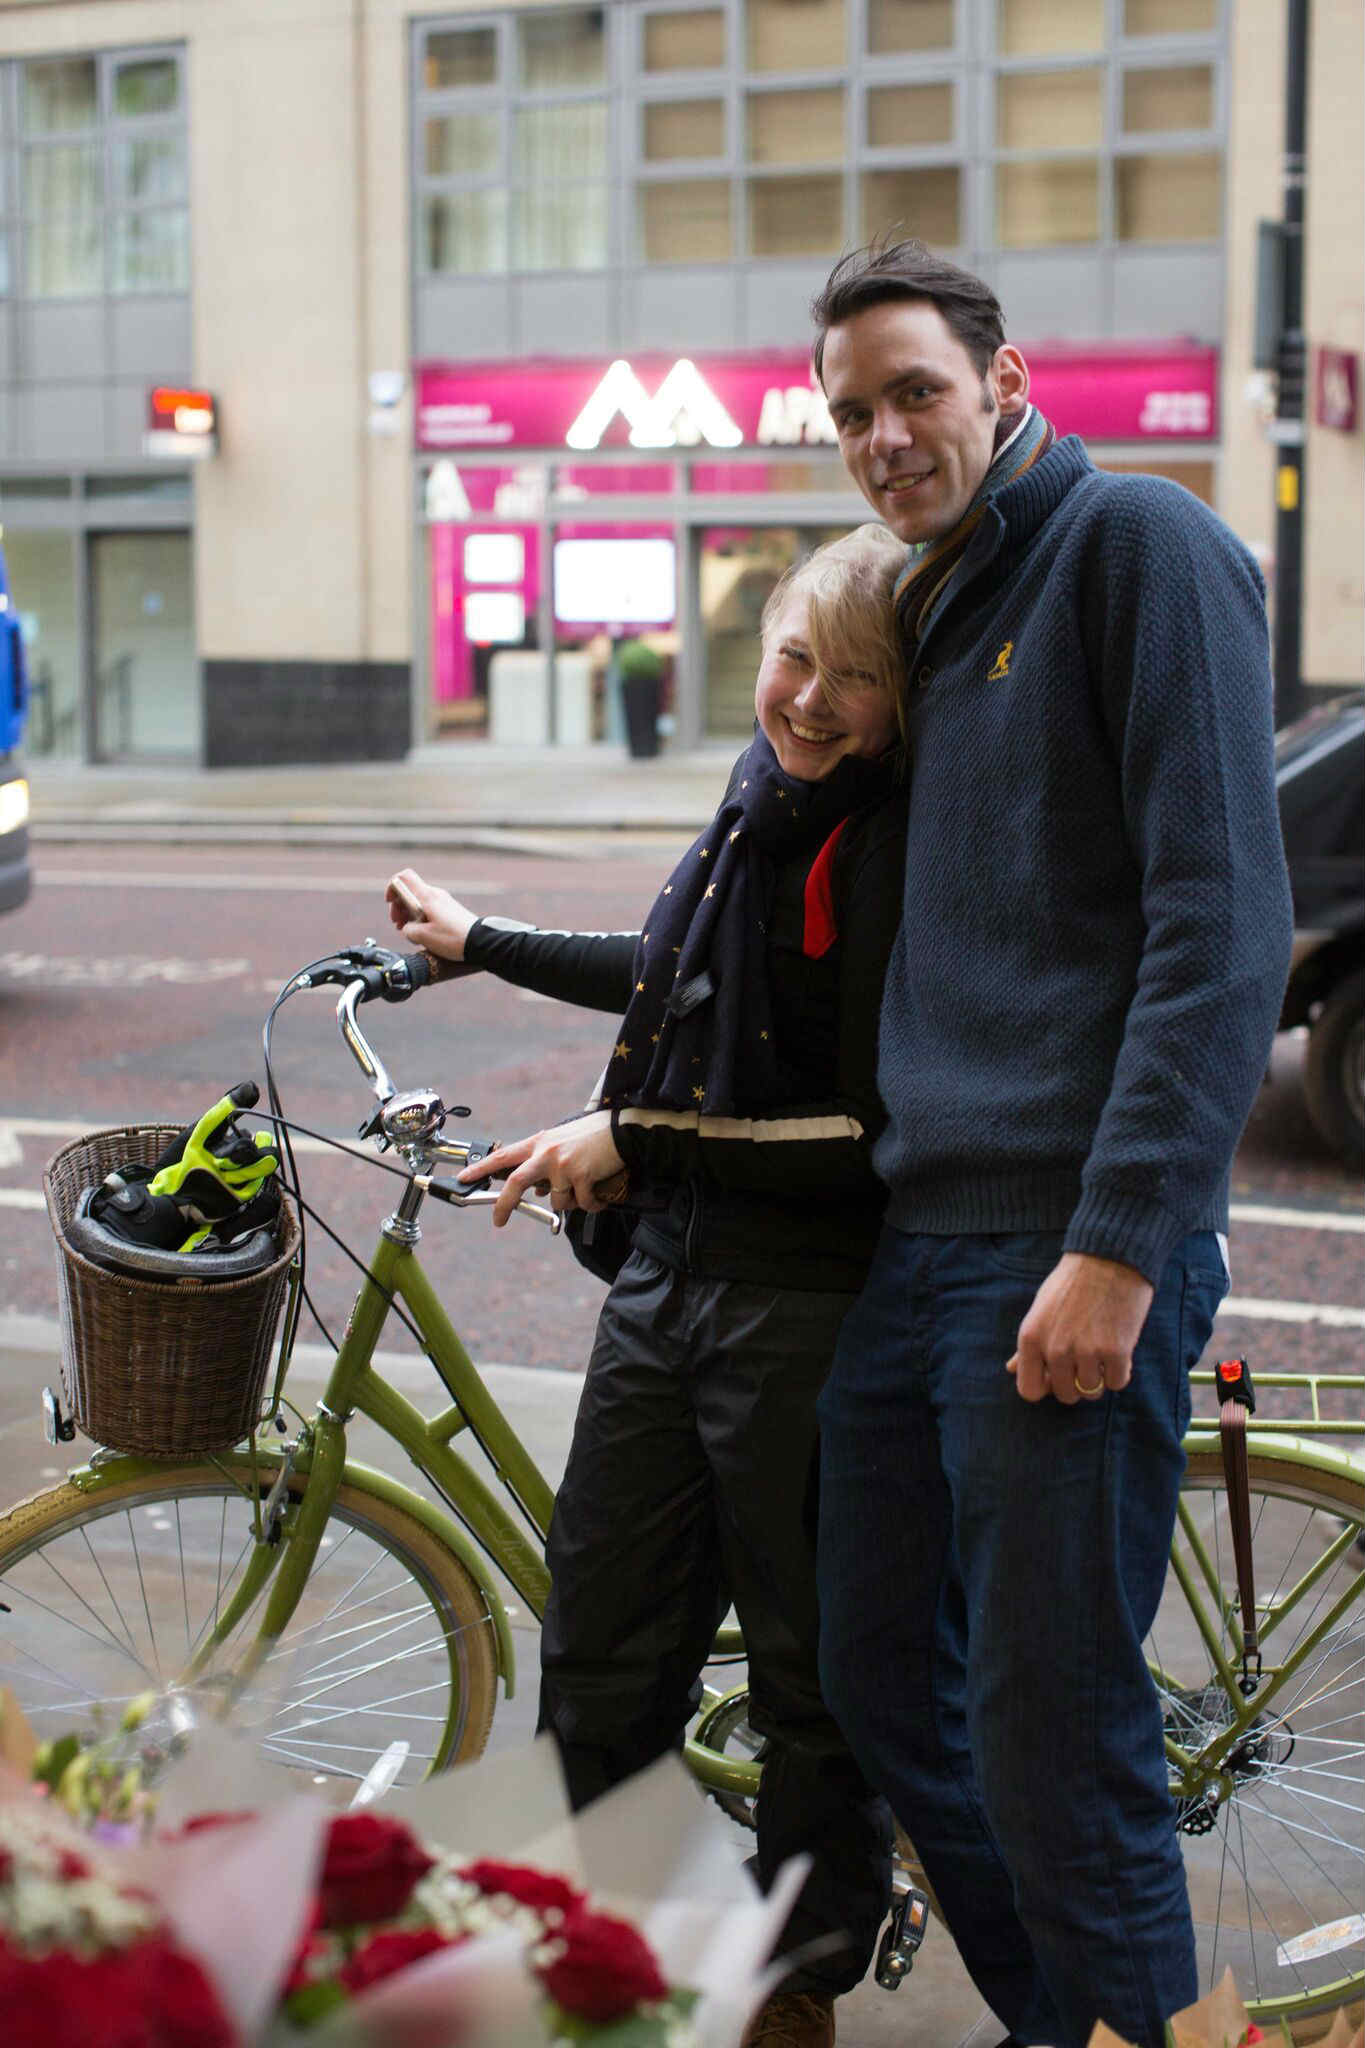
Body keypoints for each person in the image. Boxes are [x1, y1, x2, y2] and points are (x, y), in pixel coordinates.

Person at [804, 239, 1294, 2048]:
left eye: (913, 390)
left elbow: (1221, 927)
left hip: (1058, 1248)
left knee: (1059, 1723)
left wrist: (1118, 1243)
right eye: (849, 411)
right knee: (879, 1674)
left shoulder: (1136, 548)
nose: (882, 434)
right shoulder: (935, 601)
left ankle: (1132, 2024)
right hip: (920, 1246)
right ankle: (1063, 2018)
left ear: (1004, 381)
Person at [387, 526, 907, 2048]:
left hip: (806, 1311)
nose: (807, 700)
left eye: (853, 679)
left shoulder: (890, 848)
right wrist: (486, 944)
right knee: (596, 1656)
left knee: (812, 1688)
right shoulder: (761, 803)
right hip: (672, 1286)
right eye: (794, 658)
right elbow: (678, 974)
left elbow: (878, 1132)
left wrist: (631, 1131)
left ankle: (790, 1988)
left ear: (903, 702)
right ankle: (616, 1955)